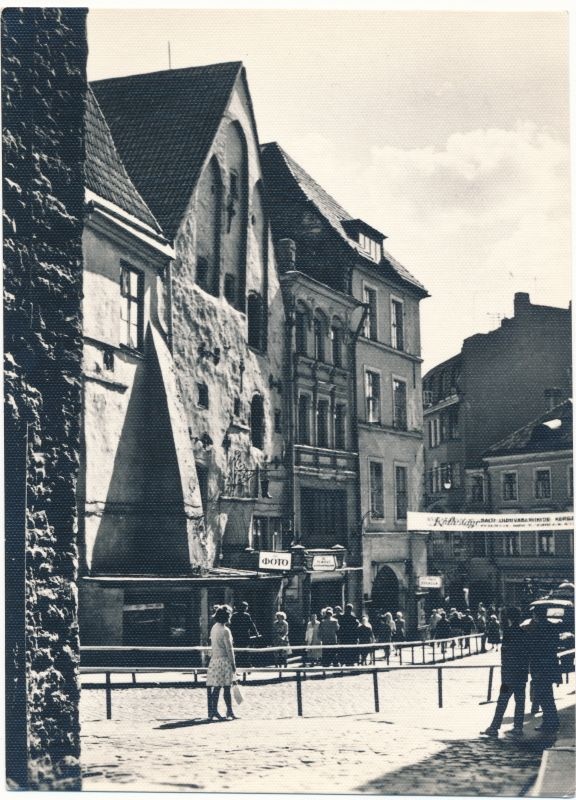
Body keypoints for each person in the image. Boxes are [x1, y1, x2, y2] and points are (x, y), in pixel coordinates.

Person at [481, 606, 529, 739]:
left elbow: (507, 655)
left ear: (508, 618)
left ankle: (494, 727)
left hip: (509, 675)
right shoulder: (523, 632)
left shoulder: (508, 632)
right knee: (520, 701)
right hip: (521, 674)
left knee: (502, 701)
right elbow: (526, 654)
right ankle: (518, 727)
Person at [526, 604, 562, 739]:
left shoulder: (537, 629)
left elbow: (533, 648)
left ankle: (550, 723)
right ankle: (551, 721)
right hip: (550, 666)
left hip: (540, 667)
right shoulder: (552, 627)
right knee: (547, 695)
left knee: (543, 696)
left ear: (537, 615)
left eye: (534, 614)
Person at [206, 606, 237, 720]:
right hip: (224, 660)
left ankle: (214, 711)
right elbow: (229, 648)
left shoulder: (214, 628)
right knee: (227, 688)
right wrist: (233, 664)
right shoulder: (225, 630)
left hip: (215, 660)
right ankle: (229, 711)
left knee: (217, 687)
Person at [230, 601, 259, 668]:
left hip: (236, 636)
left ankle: (238, 664)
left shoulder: (234, 615)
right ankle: (246, 664)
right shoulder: (246, 615)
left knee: (237, 651)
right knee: (245, 651)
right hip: (245, 636)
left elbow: (231, 626)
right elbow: (251, 625)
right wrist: (256, 633)